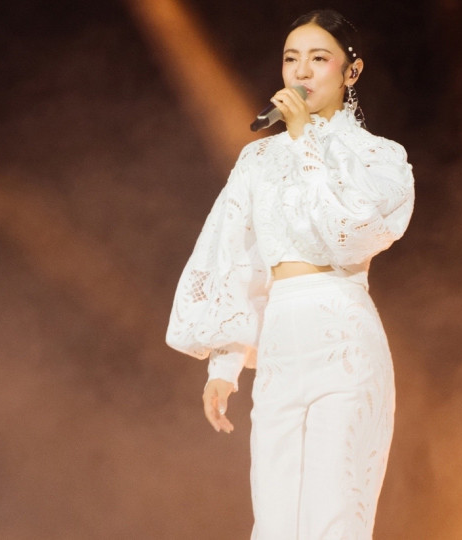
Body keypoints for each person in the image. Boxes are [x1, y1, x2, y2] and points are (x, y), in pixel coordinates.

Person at [166, 9, 414, 539]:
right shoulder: (258, 160)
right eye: (291, 59)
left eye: (318, 58)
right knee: (276, 521)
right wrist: (224, 365)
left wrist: (304, 139)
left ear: (351, 71)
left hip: (343, 339)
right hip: (281, 346)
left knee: (333, 517)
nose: (301, 71)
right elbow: (238, 257)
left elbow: (349, 233)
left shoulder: (377, 156)